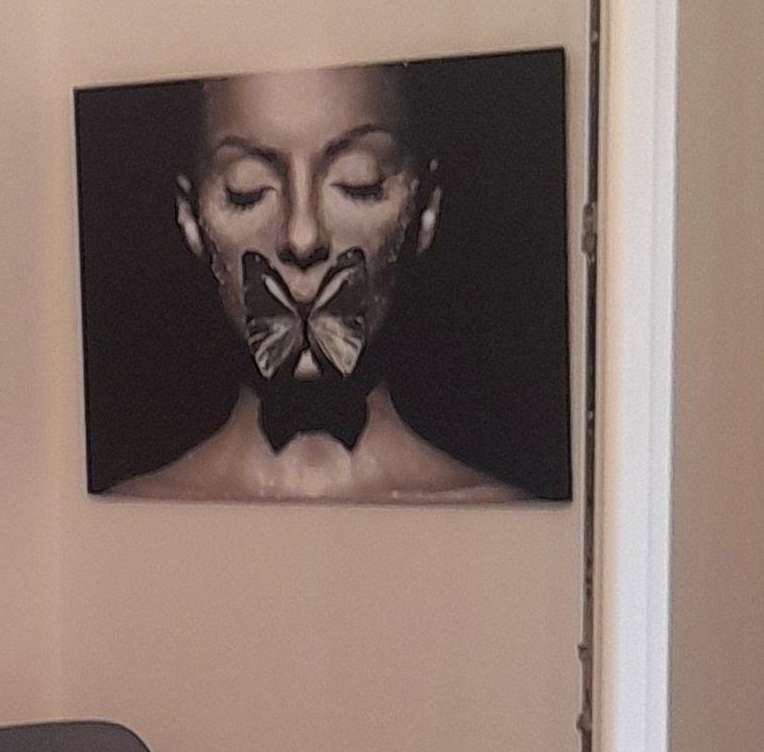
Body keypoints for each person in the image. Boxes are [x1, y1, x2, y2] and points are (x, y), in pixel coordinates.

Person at [118, 62, 525, 503]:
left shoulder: (501, 518)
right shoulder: (128, 516)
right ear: (190, 216)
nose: (302, 236)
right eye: (246, 189)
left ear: (425, 208)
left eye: (358, 182)